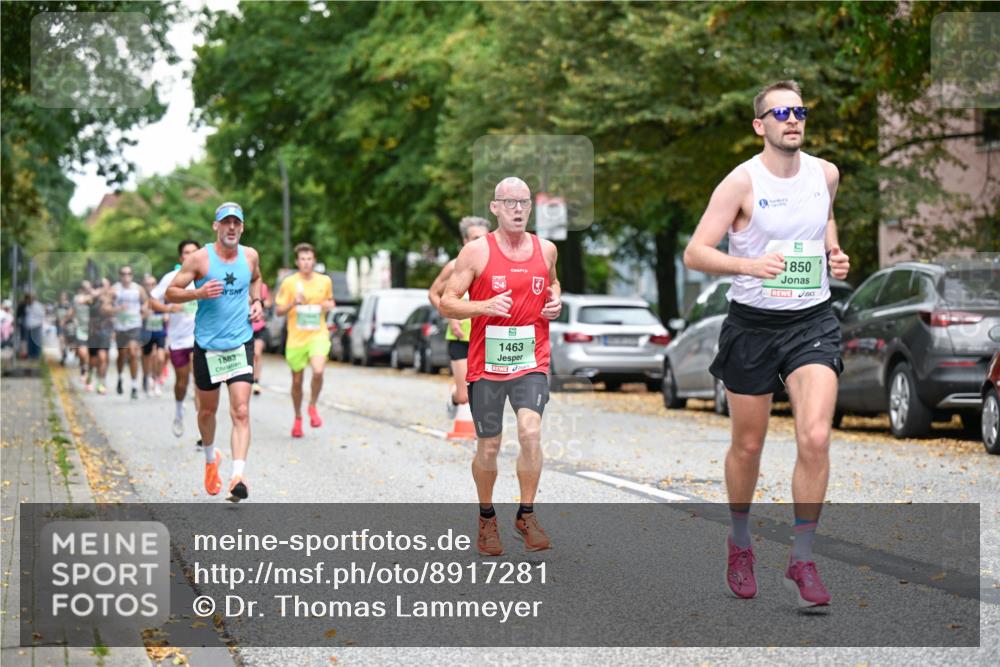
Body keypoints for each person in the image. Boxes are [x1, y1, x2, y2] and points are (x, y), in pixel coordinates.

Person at [683, 80, 850, 609]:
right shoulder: (740, 183)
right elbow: (695, 252)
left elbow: (823, 216)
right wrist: (747, 265)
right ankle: (739, 542)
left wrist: (834, 250)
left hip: (812, 323)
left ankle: (802, 558)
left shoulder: (826, 173)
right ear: (760, 125)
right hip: (753, 326)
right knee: (748, 446)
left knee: (816, 437)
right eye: (780, 112)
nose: (792, 119)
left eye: (799, 110)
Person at [440, 177, 562, 556]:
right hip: (486, 363)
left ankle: (526, 514)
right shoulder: (476, 252)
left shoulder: (546, 250)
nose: (517, 208)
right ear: (495, 207)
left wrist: (556, 303)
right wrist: (483, 307)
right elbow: (447, 301)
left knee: (530, 432)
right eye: (509, 202)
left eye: (524, 202)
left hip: (531, 358)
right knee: (489, 446)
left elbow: (554, 285)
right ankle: (487, 517)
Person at [166, 203, 263, 502]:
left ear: (242, 227)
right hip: (208, 347)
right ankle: (211, 459)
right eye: (226, 223)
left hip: (240, 343)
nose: (231, 228)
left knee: (241, 411)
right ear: (216, 226)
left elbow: (257, 279)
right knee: (207, 411)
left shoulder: (250, 256)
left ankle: (238, 476)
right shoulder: (199, 259)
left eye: (236, 223)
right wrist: (197, 292)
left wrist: (257, 301)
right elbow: (170, 292)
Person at [429, 216, 490, 420]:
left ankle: (483, 436)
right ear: (465, 241)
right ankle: (455, 398)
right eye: (474, 238)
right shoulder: (454, 266)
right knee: (465, 395)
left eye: (482, 238)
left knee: (485, 391)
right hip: (460, 337)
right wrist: (451, 317)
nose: (478, 242)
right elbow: (433, 294)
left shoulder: (493, 267)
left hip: (486, 337)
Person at [274, 243, 334, 437]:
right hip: (296, 338)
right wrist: (293, 302)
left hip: (318, 334)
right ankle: (298, 417)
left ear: (314, 260)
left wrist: (327, 305)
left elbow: (331, 302)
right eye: (302, 259)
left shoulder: (325, 281)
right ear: (297, 261)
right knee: (297, 382)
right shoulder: (289, 283)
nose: (306, 263)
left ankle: (313, 406)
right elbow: (278, 311)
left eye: (309, 259)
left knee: (318, 371)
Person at [151, 240, 202, 437]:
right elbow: (152, 300)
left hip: (200, 338)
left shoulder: (206, 276)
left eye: (194, 252)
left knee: (199, 381)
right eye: (186, 253)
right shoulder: (172, 278)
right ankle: (179, 410)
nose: (190, 256)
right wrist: (169, 308)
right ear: (181, 258)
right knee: (182, 382)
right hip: (178, 339)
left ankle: (201, 429)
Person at [112, 266, 148, 400]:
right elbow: (105, 306)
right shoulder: (114, 289)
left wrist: (144, 308)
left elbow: (147, 302)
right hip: (120, 327)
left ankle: (134, 386)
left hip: (135, 326)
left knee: (133, 353)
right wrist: (116, 308)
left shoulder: (138, 288)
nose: (126, 276)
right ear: (119, 275)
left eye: (129, 273)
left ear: (132, 275)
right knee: (121, 355)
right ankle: (120, 377)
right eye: (123, 273)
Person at [141, 274, 168, 396]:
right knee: (147, 358)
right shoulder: (142, 298)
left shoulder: (161, 297)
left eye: (152, 284)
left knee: (160, 358)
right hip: (146, 333)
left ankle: (156, 381)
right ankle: (146, 378)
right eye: (147, 284)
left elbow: (168, 313)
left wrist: (166, 316)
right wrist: (144, 314)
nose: (150, 286)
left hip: (159, 332)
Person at [88, 278, 116, 394]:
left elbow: (114, 313)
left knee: (103, 358)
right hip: (93, 333)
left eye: (105, 285)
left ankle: (101, 382)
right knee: (93, 360)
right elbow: (81, 300)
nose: (103, 288)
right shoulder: (92, 299)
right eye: (100, 286)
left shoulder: (111, 298)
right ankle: (91, 373)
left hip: (105, 332)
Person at [251, 281, 272, 395]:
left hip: (259, 327)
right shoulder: (238, 282)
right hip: (244, 327)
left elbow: (269, 302)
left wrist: (258, 302)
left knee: (257, 353)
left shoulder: (262, 286)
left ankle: (256, 381)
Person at [71, 281, 94, 388]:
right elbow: (80, 302)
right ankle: (83, 369)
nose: (87, 289)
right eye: (85, 287)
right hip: (81, 329)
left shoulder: (94, 297)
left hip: (92, 330)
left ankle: (88, 374)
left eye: (88, 287)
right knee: (82, 352)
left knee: (89, 354)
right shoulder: (77, 298)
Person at [23, 292, 46, 359]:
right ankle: (31, 354)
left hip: (36, 326)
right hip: (30, 327)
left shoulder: (38, 306)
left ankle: (36, 355)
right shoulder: (28, 305)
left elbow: (42, 315)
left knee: (35, 341)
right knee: (30, 342)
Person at [55, 292, 72, 365]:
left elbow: (70, 313)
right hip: (59, 325)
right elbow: (56, 314)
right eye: (61, 296)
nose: (62, 297)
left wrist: (64, 320)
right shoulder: (57, 304)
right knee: (61, 340)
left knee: (65, 340)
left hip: (67, 325)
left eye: (64, 296)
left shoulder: (68, 305)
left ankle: (65, 351)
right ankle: (63, 356)